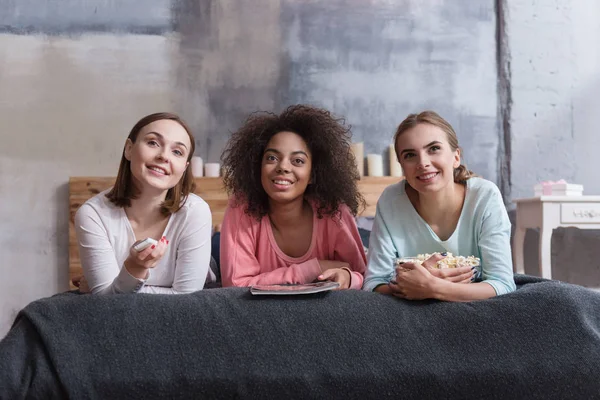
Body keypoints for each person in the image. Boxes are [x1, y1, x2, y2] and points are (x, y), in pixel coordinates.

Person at [363, 111, 516, 301]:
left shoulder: (484, 197)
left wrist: (433, 288)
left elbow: (502, 283)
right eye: (410, 155)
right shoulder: (391, 200)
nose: (423, 163)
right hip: (411, 312)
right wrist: (410, 284)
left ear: (456, 157)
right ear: (402, 165)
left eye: (434, 149)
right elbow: (374, 283)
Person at [219, 105, 367, 289]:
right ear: (258, 166)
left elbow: (363, 276)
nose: (283, 167)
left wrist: (347, 277)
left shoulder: (335, 213)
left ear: (313, 174)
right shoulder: (242, 208)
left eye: (298, 161)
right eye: (272, 158)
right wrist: (313, 268)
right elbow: (236, 286)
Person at [74, 112, 215, 294]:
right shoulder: (92, 215)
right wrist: (134, 268)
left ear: (184, 168)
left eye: (177, 152)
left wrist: (108, 289)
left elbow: (187, 301)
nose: (164, 156)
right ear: (129, 149)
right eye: (153, 143)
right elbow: (106, 306)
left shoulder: (196, 211)